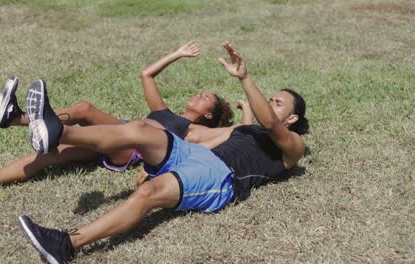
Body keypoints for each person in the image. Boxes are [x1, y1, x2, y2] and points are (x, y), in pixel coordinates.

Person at [16, 41, 309, 263]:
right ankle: (59, 132)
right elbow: (217, 141)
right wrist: (159, 160)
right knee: (142, 129)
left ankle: (66, 244)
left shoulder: (294, 146)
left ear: (292, 119)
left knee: (148, 194)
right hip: (198, 156)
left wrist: (245, 79)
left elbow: (269, 122)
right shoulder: (248, 130)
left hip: (220, 176)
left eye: (278, 103)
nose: (270, 104)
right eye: (270, 99)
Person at [0, 41, 235, 199]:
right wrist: (178, 53)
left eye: (205, 98)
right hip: (121, 132)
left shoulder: (192, 130)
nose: (198, 95)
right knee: (51, 153)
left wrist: (155, 171)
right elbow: (146, 74)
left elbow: (206, 148)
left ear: (209, 114)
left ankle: (16, 118)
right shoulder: (164, 111)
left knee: (84, 108)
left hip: (132, 149)